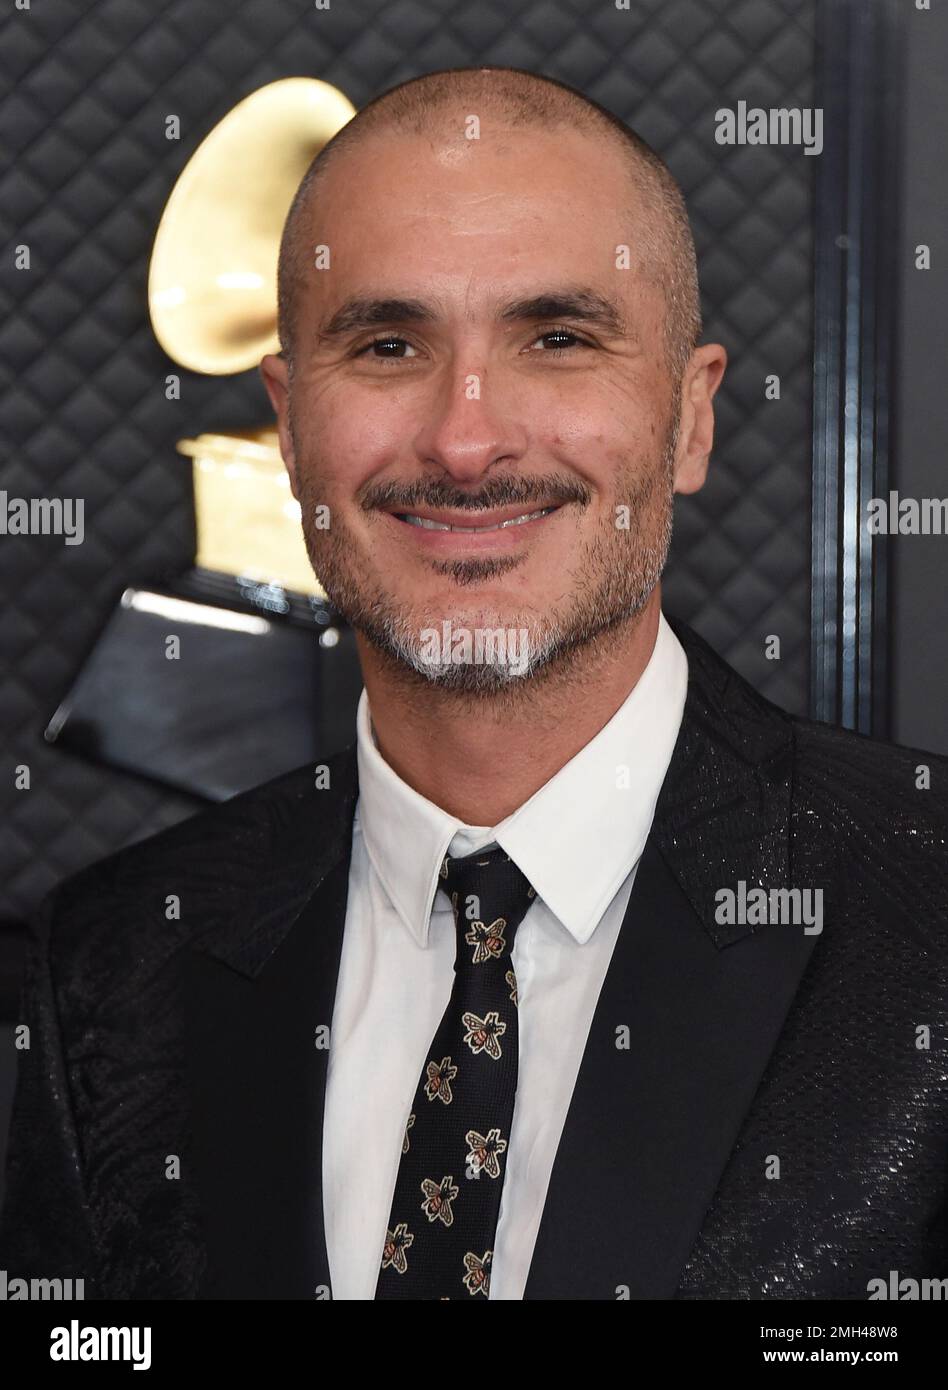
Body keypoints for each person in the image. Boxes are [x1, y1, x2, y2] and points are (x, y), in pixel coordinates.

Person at [1, 66, 946, 1301]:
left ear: (690, 418)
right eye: (389, 344)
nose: (464, 439)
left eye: (557, 338)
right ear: (290, 430)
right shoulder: (105, 966)